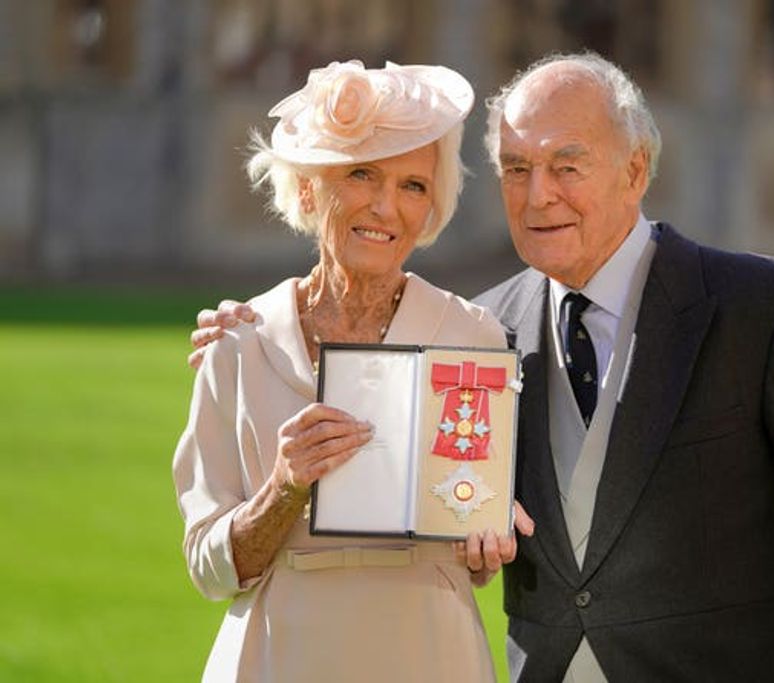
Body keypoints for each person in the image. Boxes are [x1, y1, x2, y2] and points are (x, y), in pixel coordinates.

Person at [192, 52, 774, 682]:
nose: (537, 196)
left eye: (567, 165)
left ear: (636, 170)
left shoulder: (761, 310)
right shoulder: (486, 328)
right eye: (517, 169)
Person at [174, 59, 532, 682]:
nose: (386, 207)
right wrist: (283, 487)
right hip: (278, 657)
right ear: (310, 189)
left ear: (432, 209)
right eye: (361, 174)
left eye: (414, 185)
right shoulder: (236, 344)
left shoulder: (472, 338)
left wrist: (486, 543)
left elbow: (478, 537)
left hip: (430, 653)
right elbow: (208, 568)